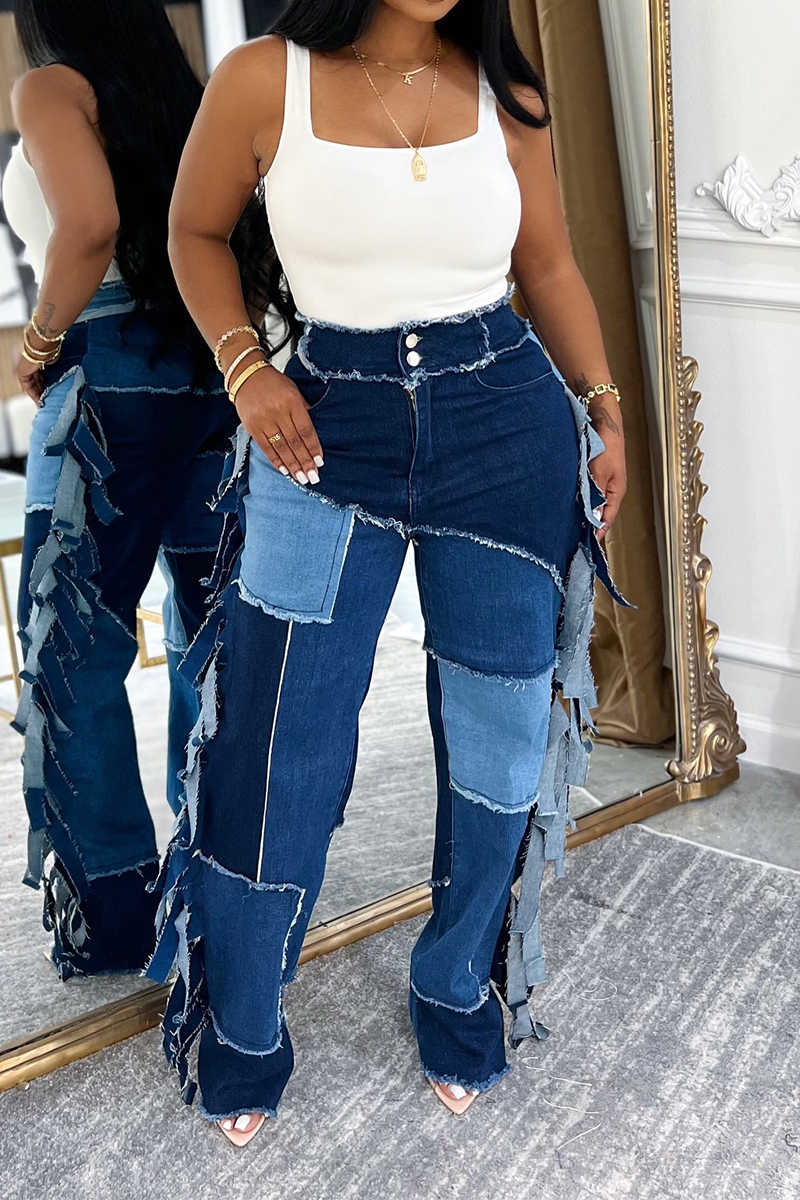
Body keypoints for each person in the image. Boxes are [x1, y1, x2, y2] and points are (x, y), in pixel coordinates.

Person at [147, 0, 627, 1144]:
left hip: (503, 424)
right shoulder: (264, 78)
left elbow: (547, 263)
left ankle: (456, 994)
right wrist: (245, 369)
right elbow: (192, 232)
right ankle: (242, 1030)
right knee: (276, 742)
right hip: (320, 429)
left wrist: (604, 406)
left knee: (499, 742)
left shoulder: (506, 89)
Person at [6, 0, 265, 980]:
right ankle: (219, 876)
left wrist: (38, 340)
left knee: (69, 651)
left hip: (108, 383)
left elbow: (89, 224)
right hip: (206, 377)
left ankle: (116, 916)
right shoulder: (178, 95)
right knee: (213, 636)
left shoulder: (48, 88)